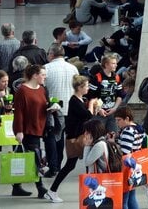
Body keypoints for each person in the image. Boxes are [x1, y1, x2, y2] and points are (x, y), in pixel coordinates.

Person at [47, 74, 94, 202]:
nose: (88, 88)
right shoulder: (75, 101)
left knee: (76, 165)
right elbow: (87, 115)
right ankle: (52, 190)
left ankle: (53, 190)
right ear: (79, 87)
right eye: (86, 86)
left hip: (77, 137)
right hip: (75, 138)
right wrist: (92, 104)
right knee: (73, 165)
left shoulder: (78, 100)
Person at [12, 63, 54, 198]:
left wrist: (52, 107)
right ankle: (40, 187)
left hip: (39, 127)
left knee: (27, 157)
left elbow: (44, 105)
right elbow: (18, 112)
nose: (44, 77)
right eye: (42, 75)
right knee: (35, 157)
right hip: (28, 129)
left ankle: (17, 186)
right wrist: (19, 130)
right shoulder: (22, 91)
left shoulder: (41, 89)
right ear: (35, 76)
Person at [43, 42, 77, 175]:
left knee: (52, 137)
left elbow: (42, 88)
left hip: (54, 109)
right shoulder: (73, 68)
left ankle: (54, 166)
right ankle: (60, 163)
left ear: (51, 54)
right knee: (62, 137)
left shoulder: (46, 68)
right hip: (70, 108)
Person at [114, 106, 146, 209]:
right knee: (132, 197)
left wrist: (113, 143)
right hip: (134, 166)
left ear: (127, 119)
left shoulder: (128, 131)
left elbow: (125, 152)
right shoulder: (138, 128)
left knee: (124, 200)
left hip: (126, 168)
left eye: (119, 120)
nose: (117, 123)